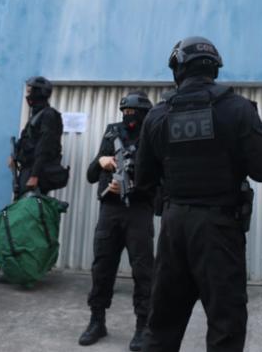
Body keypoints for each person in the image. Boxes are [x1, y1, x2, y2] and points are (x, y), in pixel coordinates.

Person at [135, 36, 262, 352]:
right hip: (219, 228)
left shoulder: (157, 116)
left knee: (161, 326)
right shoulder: (238, 109)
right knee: (225, 326)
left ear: (178, 69)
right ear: (215, 68)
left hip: (174, 227)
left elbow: (143, 180)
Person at [79, 91, 155, 350]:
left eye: (133, 112)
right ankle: (96, 321)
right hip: (110, 211)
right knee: (102, 267)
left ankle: (142, 327)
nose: (127, 117)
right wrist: (102, 161)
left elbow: (163, 180)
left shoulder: (153, 135)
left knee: (143, 271)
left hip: (139, 211)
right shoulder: (112, 133)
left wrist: (134, 185)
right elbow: (90, 174)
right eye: (124, 112)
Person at [11, 76, 63, 198]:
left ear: (39, 92)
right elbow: (27, 140)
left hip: (36, 172)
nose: (27, 96)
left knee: (29, 210)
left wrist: (35, 175)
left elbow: (44, 146)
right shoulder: (36, 115)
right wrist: (14, 157)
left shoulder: (49, 115)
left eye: (30, 92)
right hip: (27, 170)